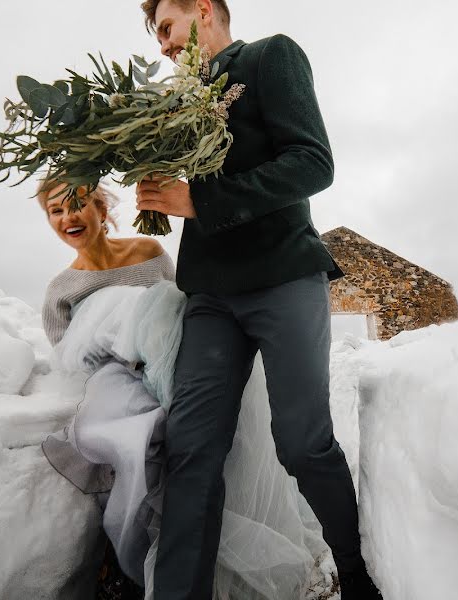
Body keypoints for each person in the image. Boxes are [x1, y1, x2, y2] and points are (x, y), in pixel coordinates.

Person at [135, 1, 383, 599]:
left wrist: (202, 201)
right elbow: (180, 188)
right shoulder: (171, 103)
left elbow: (312, 163)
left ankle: (355, 574)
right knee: (191, 450)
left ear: (202, 9)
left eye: (166, 28)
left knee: (301, 441)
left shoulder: (271, 55)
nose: (163, 46)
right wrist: (153, 189)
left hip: (284, 276)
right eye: (157, 37)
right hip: (211, 296)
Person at [38, 179, 327, 599]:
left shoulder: (148, 253)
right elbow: (68, 357)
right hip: (116, 382)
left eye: (77, 205)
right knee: (135, 442)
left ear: (101, 209)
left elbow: (184, 308)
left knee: (200, 444)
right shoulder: (60, 290)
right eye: (56, 211)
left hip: (173, 368)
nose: (69, 218)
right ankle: (128, 564)